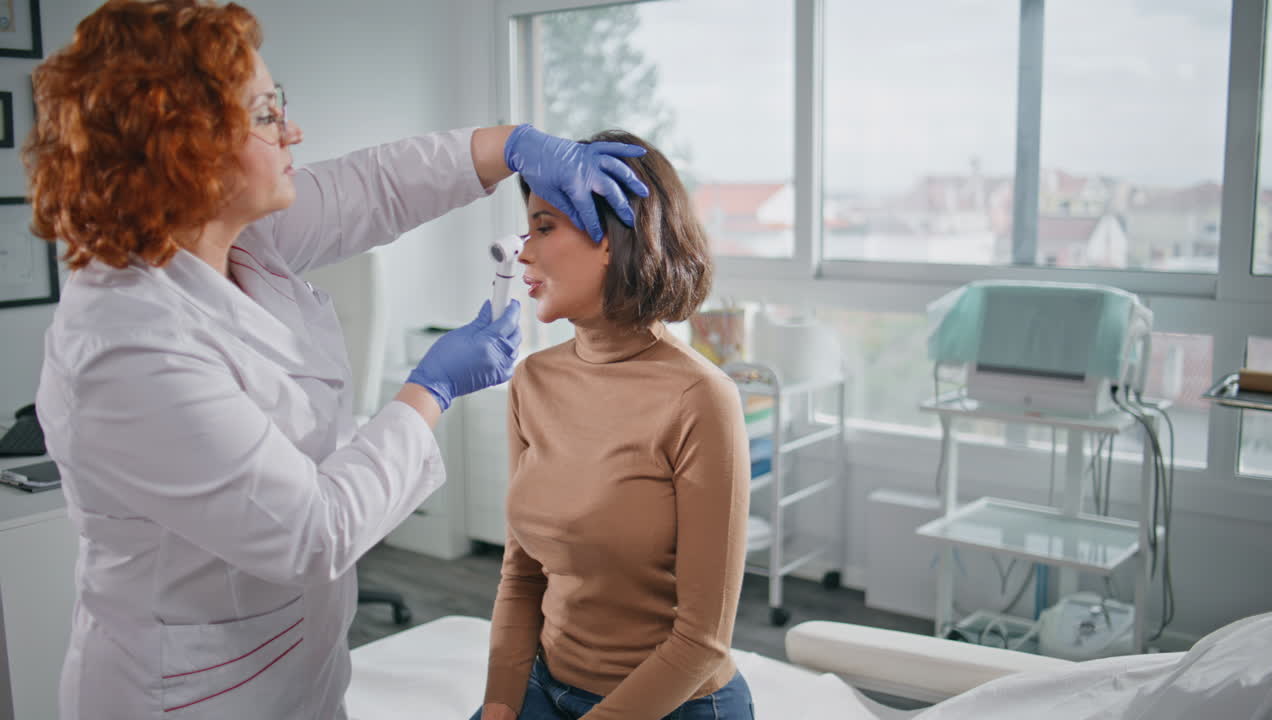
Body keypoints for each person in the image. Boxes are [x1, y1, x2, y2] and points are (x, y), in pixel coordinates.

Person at [24, 2, 649, 718]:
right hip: (186, 693)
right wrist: (431, 388)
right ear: (182, 148)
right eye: (265, 114)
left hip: (293, 658)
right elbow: (312, 532)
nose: (292, 129)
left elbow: (375, 188)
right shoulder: (127, 342)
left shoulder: (237, 241)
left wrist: (512, 143)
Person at [471, 131, 754, 720]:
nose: (522, 252)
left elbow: (701, 641)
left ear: (614, 238)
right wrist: (499, 706)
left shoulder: (701, 399)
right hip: (545, 688)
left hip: (673, 705)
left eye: (544, 227)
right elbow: (522, 577)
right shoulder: (531, 382)